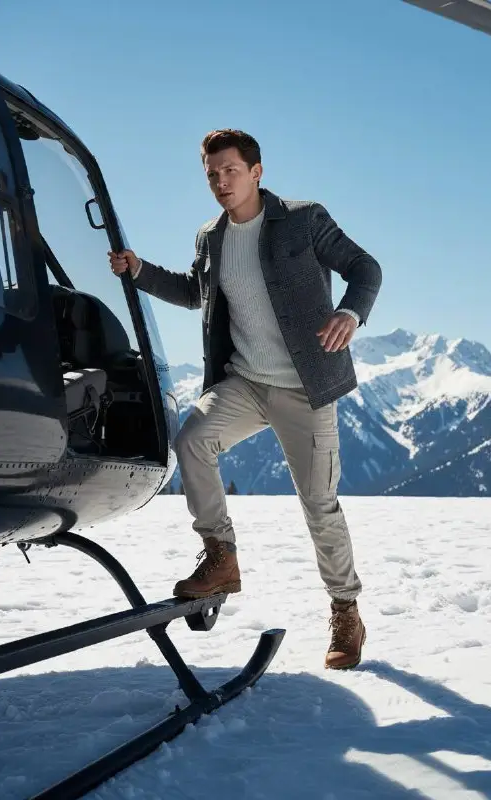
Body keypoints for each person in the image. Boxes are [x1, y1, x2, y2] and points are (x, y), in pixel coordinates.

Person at [109, 129, 382, 669]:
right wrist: (139, 271)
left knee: (319, 505)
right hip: (245, 382)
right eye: (212, 174)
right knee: (192, 441)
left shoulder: (304, 220)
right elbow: (196, 292)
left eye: (230, 170)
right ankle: (221, 556)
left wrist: (350, 312)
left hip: (305, 388)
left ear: (256, 172)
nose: (221, 182)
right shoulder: (210, 237)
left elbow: (364, 267)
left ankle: (345, 610)